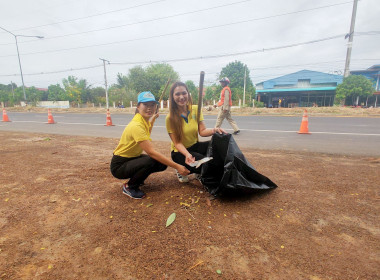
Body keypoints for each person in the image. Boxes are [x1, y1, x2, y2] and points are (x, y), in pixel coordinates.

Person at [110, 91, 190, 199]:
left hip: (131, 159)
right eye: (145, 105)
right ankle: (130, 187)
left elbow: (147, 130)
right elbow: (151, 152)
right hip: (119, 165)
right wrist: (177, 166)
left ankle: (138, 178)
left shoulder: (144, 121)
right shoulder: (136, 125)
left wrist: (152, 120)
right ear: (138, 106)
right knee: (152, 159)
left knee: (161, 163)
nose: (149, 108)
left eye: (152, 105)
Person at [166, 82, 226, 183]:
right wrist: (187, 154)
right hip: (180, 152)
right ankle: (181, 169)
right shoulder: (170, 118)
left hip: (195, 146)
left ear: (188, 94)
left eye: (184, 93)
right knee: (206, 164)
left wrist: (214, 130)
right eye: (177, 94)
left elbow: (202, 131)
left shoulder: (195, 109)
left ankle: (198, 171)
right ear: (172, 97)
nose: (181, 97)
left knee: (218, 147)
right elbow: (177, 143)